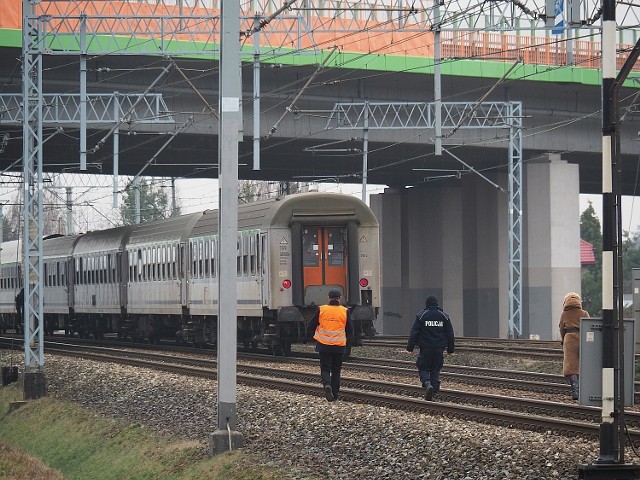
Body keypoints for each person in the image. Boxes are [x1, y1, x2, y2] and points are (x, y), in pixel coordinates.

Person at [307, 289, 353, 402]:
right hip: (339, 346)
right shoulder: (345, 311)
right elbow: (350, 329)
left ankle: (327, 385)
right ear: (340, 298)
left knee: (325, 368)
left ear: (328, 297)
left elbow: (311, 325)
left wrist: (311, 337)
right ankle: (335, 395)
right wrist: (347, 342)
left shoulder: (321, 309)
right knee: (336, 371)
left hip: (323, 345)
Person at [406, 295, 455, 401]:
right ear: (437, 304)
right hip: (439, 349)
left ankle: (427, 384)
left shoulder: (421, 316)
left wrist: (410, 348)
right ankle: (433, 394)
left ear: (426, 305)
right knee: (435, 370)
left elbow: (414, 332)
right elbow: (450, 334)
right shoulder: (444, 316)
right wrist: (450, 350)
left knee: (423, 367)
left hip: (425, 348)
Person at [559, 292, 589, 400]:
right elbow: (589, 327)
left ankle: (575, 391)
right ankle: (583, 390)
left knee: (571, 366)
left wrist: (563, 339)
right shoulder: (584, 313)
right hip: (583, 339)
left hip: (569, 339)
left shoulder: (564, 314)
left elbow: (562, 329)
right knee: (583, 364)